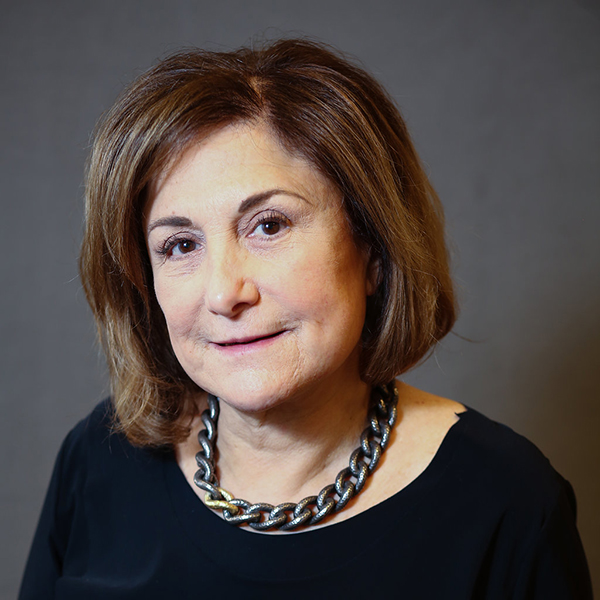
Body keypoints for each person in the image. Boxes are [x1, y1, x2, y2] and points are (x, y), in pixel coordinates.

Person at [19, 38, 592, 599]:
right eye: (180, 245)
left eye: (269, 226)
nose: (223, 293)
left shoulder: (508, 503)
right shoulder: (98, 459)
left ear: (373, 250)